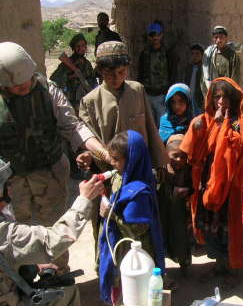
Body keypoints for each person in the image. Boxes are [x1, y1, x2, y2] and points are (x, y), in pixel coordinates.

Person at [0, 42, 107, 241]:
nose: (23, 85)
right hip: (11, 181)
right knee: (12, 233)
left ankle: (59, 270)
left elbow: (73, 127)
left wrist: (102, 151)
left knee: (56, 226)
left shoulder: (48, 91)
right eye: (15, 85)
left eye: (26, 80)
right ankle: (17, 272)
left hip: (50, 172)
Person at [77, 41, 168, 261]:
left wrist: (160, 162)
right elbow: (88, 139)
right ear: (99, 70)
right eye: (109, 73)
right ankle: (111, 275)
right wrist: (88, 156)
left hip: (139, 175)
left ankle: (152, 271)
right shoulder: (90, 101)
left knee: (143, 224)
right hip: (109, 178)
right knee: (109, 225)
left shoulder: (137, 90)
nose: (116, 78)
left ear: (127, 69)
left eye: (121, 72)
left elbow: (150, 127)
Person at [0, 158, 104, 306]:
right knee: (67, 294)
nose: (10, 189)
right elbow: (54, 240)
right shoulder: (5, 234)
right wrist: (84, 199)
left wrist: (32, 266)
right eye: (6, 185)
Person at [179, 77, 243, 288]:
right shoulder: (208, 119)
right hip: (209, 184)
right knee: (212, 227)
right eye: (217, 96)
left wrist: (222, 126)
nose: (220, 101)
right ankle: (220, 263)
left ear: (234, 99)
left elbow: (234, 152)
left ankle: (235, 269)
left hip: (230, 187)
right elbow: (195, 147)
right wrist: (209, 125)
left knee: (230, 228)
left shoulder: (238, 123)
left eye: (225, 97)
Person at [98, 130, 165, 306]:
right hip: (120, 247)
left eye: (116, 159)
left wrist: (110, 215)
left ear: (133, 160)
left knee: (133, 292)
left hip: (132, 252)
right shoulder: (122, 176)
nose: (112, 163)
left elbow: (137, 229)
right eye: (111, 158)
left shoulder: (139, 192)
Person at [158, 134, 192, 276]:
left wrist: (188, 190)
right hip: (163, 210)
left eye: (184, 156)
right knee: (160, 237)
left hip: (180, 213)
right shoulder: (161, 169)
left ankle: (184, 264)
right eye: (175, 155)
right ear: (166, 155)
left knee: (181, 238)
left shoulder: (189, 170)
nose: (180, 160)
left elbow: (195, 187)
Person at [138, 21, 179, 127]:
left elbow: (173, 73)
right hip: (148, 94)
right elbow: (140, 73)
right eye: (152, 35)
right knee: (150, 123)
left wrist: (170, 93)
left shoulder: (168, 53)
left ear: (161, 35)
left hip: (162, 94)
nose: (155, 37)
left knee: (163, 122)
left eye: (157, 34)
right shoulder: (144, 53)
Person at [50, 33, 97, 112]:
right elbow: (54, 79)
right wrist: (70, 77)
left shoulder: (87, 63)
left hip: (85, 101)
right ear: (73, 48)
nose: (81, 48)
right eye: (78, 46)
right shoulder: (67, 63)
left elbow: (93, 79)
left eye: (83, 45)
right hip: (71, 102)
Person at [201, 26, 241, 96]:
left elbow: (235, 77)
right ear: (213, 39)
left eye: (221, 37)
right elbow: (204, 77)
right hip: (213, 92)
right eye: (216, 37)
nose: (219, 40)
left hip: (227, 93)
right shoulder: (209, 56)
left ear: (226, 38)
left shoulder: (232, 56)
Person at [182, 43, 204, 113]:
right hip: (188, 100)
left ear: (202, 55)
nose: (194, 56)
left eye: (197, 54)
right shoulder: (187, 69)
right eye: (192, 54)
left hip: (200, 101)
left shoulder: (205, 69)